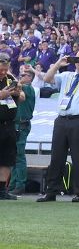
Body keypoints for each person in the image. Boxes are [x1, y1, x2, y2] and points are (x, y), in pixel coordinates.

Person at [37, 49, 79, 202]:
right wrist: (58, 64)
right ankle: (51, 191)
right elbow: (47, 78)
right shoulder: (67, 75)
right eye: (77, 57)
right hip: (62, 119)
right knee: (56, 156)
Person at [6, 67, 36, 197]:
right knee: (13, 156)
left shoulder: (28, 88)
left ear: (30, 77)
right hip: (16, 124)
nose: (21, 76)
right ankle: (12, 185)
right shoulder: (21, 89)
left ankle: (20, 185)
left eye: (24, 75)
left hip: (22, 125)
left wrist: (9, 73)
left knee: (19, 155)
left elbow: (17, 86)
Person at [0, 61, 24, 200]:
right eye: (1, 69)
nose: (3, 72)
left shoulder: (10, 80)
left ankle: (2, 190)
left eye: (5, 69)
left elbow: (22, 97)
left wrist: (16, 93)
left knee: (6, 158)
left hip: (8, 125)